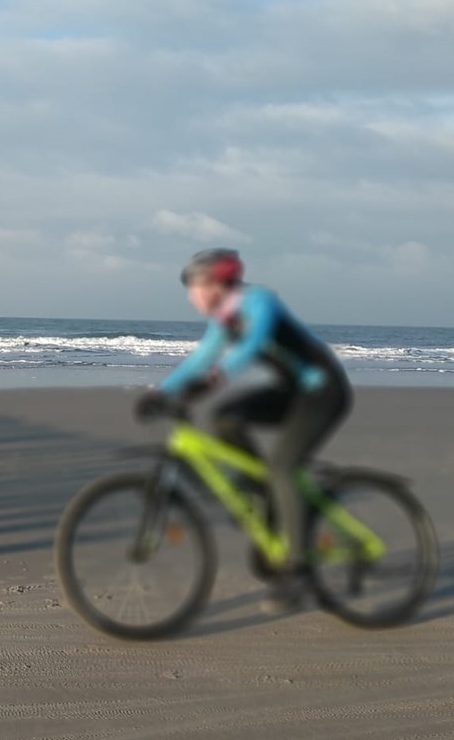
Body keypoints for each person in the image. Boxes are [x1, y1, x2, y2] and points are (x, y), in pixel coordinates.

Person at [136, 248, 353, 611]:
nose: (192, 297)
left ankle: (296, 569)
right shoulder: (224, 319)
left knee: (283, 465)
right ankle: (263, 494)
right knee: (226, 418)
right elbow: (202, 356)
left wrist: (210, 382)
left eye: (196, 287)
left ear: (217, 283)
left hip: (323, 392)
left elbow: (249, 346)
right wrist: (164, 392)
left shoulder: (258, 302)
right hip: (292, 394)